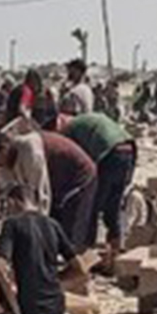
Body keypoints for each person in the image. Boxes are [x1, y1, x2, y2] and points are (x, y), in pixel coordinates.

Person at [0, 186, 85, 314]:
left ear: (13, 202)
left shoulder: (12, 224)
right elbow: (80, 268)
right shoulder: (53, 224)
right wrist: (54, 283)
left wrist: (13, 301)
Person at [62, 109, 136, 268]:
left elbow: (79, 161)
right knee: (113, 206)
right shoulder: (86, 121)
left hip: (108, 154)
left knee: (92, 205)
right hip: (127, 151)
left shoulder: (70, 130)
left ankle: (89, 253)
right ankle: (115, 252)